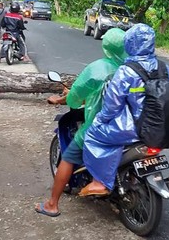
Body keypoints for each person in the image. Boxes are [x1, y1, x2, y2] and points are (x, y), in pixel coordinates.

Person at [34, 28, 128, 217]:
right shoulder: (135, 68)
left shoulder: (97, 69)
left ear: (106, 47)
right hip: (131, 127)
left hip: (101, 129)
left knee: (68, 157)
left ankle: (52, 205)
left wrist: (63, 99)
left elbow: (75, 99)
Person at [80, 23, 169, 197]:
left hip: (133, 128)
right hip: (161, 126)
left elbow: (112, 105)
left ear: (130, 44)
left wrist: (98, 120)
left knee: (92, 134)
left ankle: (99, 182)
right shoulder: (164, 68)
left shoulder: (126, 72)